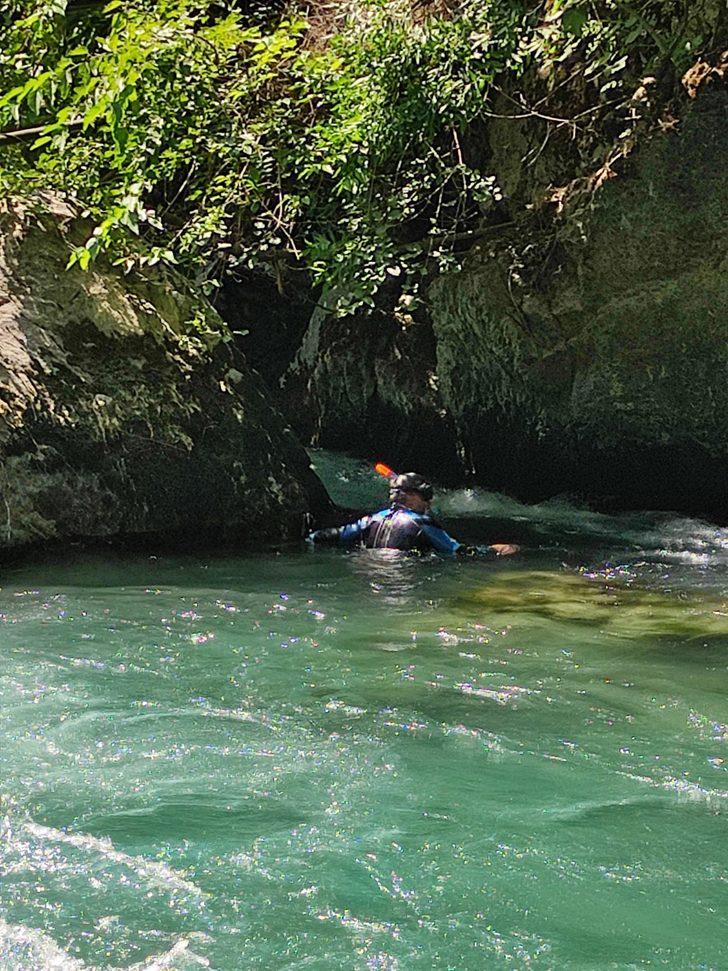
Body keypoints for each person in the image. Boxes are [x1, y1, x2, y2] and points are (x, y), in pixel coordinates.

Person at [306, 472, 519, 557]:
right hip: (401, 579)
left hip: (370, 572)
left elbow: (324, 537)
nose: (428, 505)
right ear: (416, 497)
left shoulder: (370, 520)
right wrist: (495, 550)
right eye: (426, 499)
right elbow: (457, 551)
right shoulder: (422, 523)